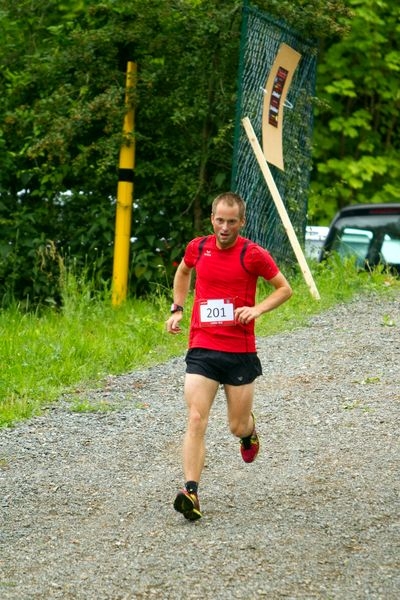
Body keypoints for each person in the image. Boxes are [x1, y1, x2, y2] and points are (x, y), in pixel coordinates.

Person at [166, 192, 292, 521]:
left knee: (236, 425)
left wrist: (257, 309)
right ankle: (191, 492)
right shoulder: (198, 248)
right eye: (219, 220)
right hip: (203, 347)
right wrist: (177, 308)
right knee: (196, 418)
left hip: (239, 351)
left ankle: (248, 433)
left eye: (231, 222)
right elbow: (183, 272)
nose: (224, 228)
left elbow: (284, 289)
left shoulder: (253, 254)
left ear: (242, 222)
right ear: (212, 219)